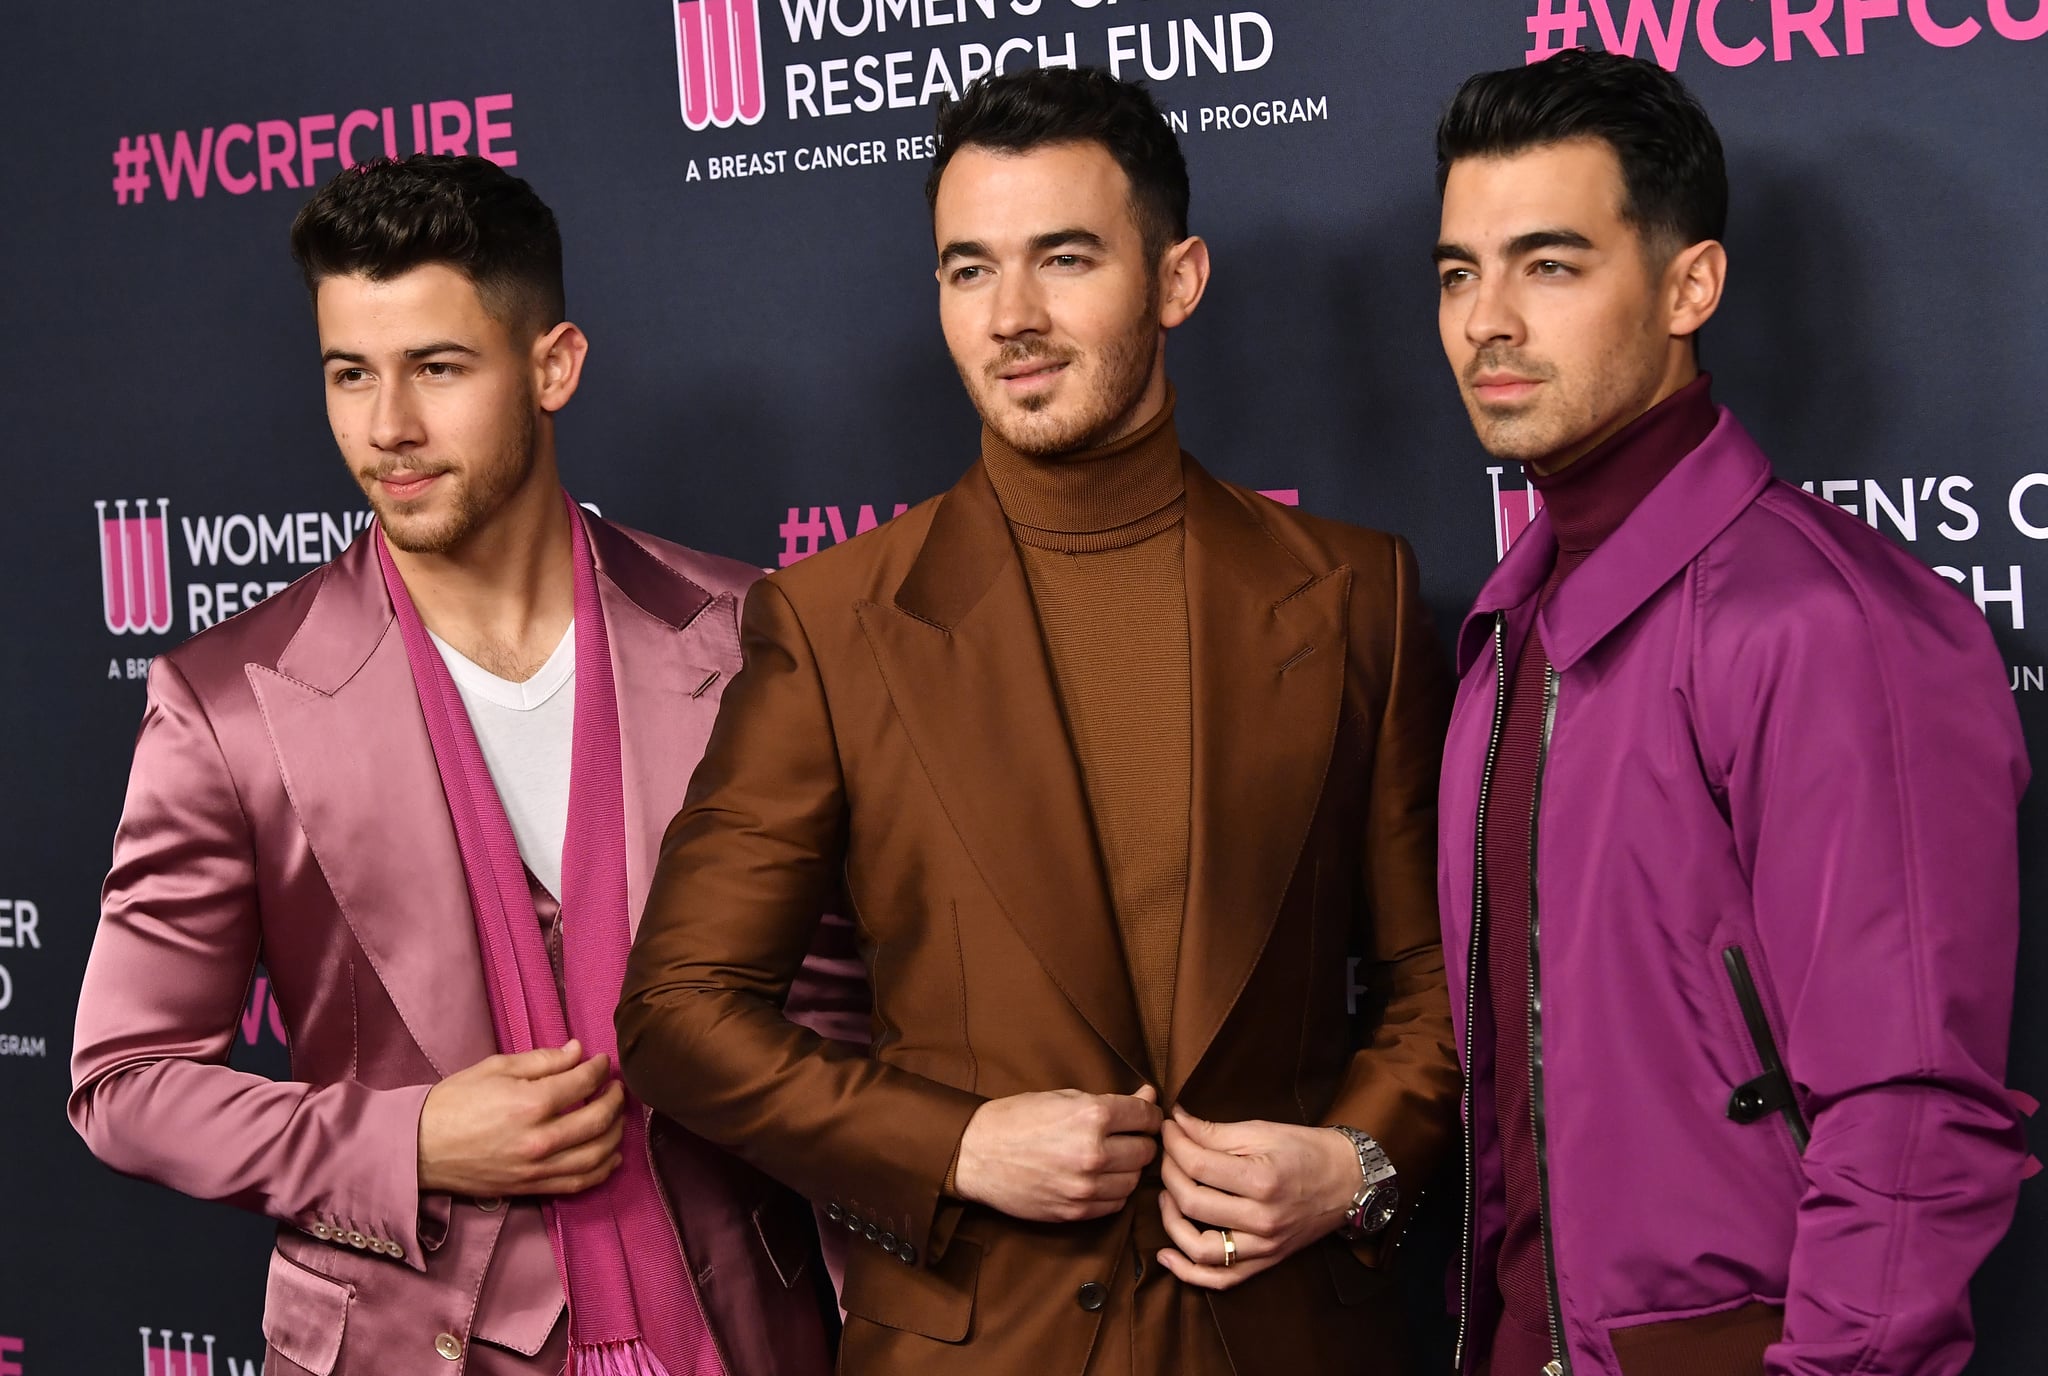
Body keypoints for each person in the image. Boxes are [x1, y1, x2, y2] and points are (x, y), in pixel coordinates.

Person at [616, 67, 1459, 1376]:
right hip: (973, 1343)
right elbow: (677, 1011)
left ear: (1177, 281)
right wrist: (947, 1147)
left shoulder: (1356, 594)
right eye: (967, 269)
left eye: (1064, 259)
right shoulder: (836, 623)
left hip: (1283, 1335)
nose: (1012, 317)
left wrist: (1354, 1165)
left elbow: (1433, 985)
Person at [70, 154, 851, 1376]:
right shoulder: (226, 704)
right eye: (349, 374)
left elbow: (851, 1014)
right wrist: (411, 1137)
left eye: (437, 367)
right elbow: (126, 1081)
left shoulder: (753, 632)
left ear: (553, 365)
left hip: (744, 1328)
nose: (387, 427)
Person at [1429, 50, 2031, 1376]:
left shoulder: (1828, 624)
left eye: (1551, 264)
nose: (1488, 321)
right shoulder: (1505, 628)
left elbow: (1912, 1117)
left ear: (1689, 283)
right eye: (1460, 272)